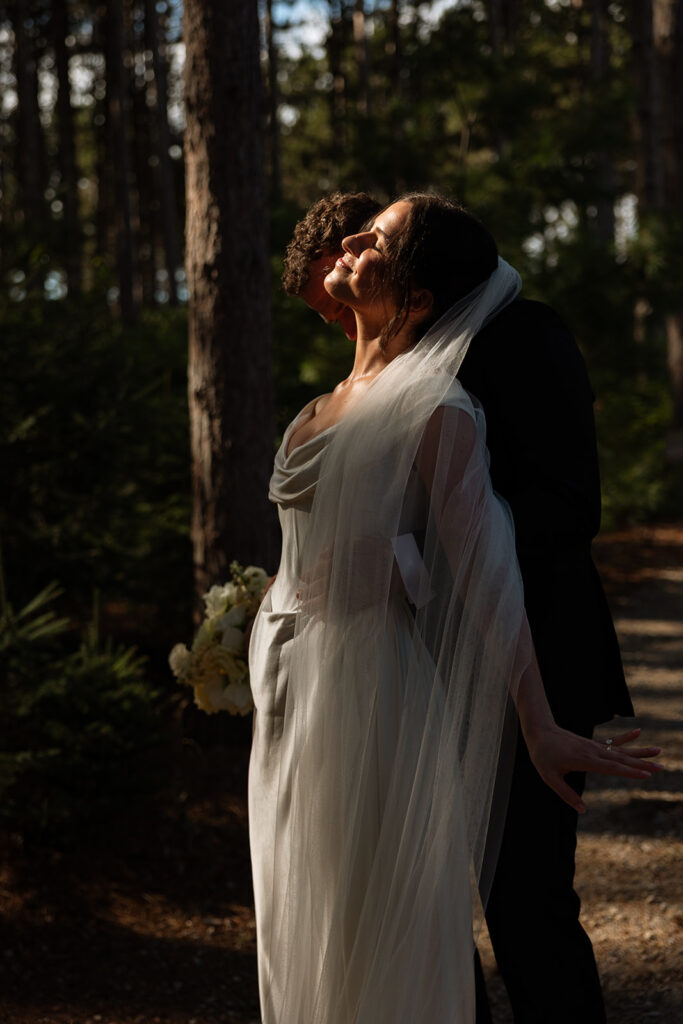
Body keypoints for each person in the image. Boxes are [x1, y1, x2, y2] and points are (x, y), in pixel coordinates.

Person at [248, 194, 661, 1024]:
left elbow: (562, 510)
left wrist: (401, 563)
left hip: (510, 656)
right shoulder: (346, 387)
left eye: (338, 295)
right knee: (368, 907)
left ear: (414, 285)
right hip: (350, 673)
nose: (332, 314)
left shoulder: (519, 343)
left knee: (524, 908)